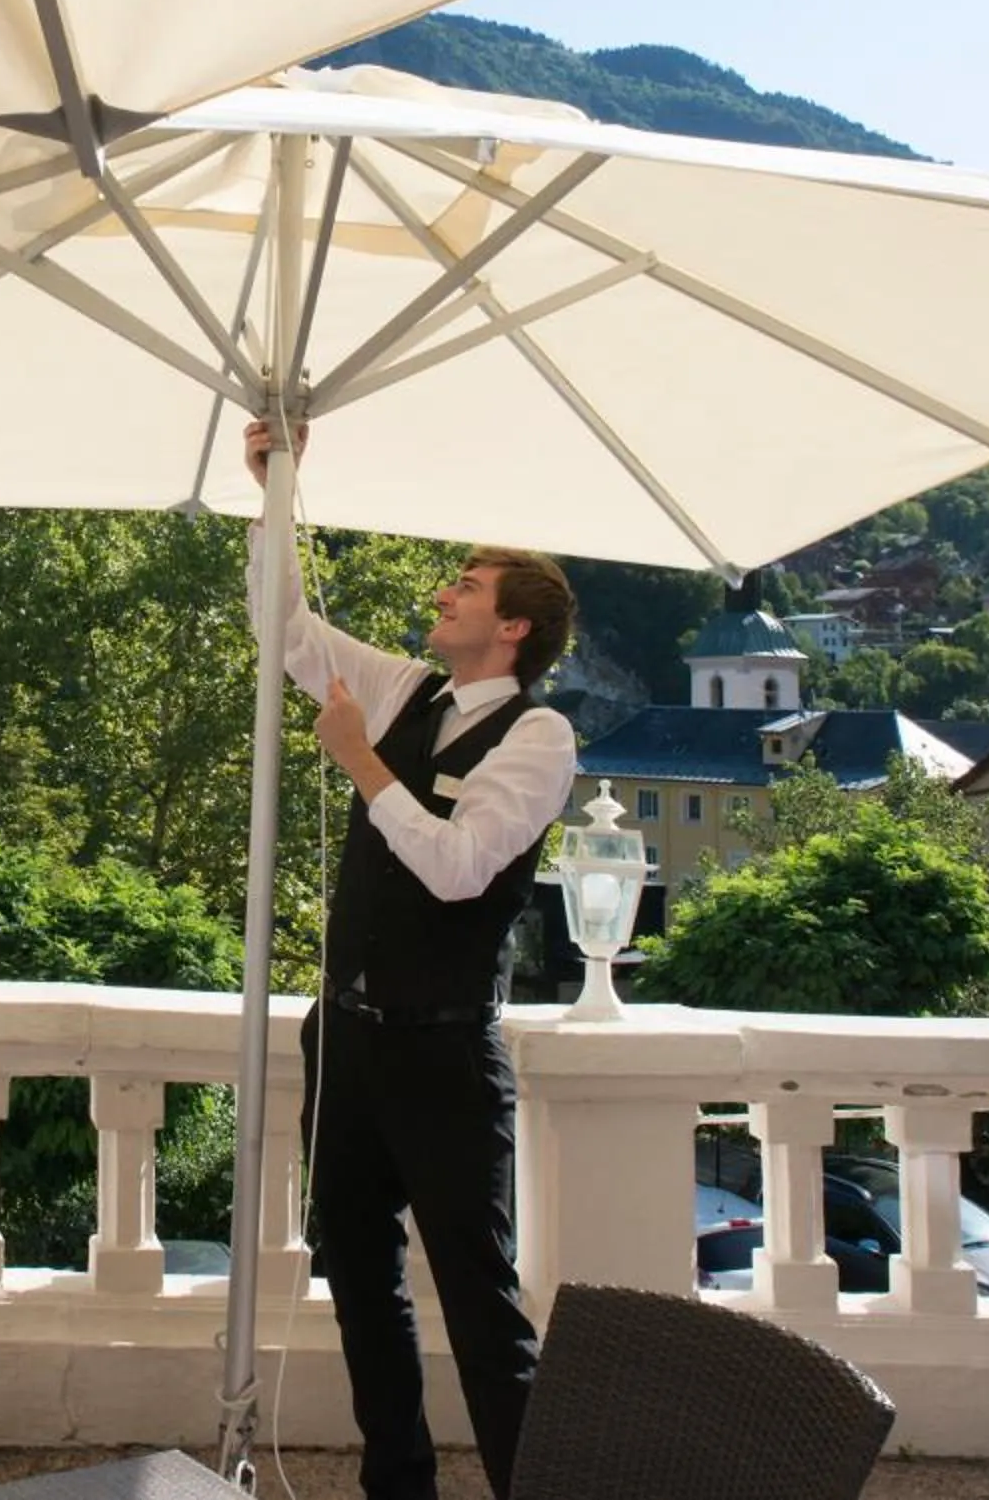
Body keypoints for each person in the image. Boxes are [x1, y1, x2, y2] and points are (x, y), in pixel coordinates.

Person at [243, 419, 578, 1500]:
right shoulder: (404, 692)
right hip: (346, 1038)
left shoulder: (538, 738)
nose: (445, 591)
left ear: (514, 625)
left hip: (443, 1057)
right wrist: (276, 494)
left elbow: (461, 868)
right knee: (360, 1281)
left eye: (467, 584)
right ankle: (401, 1488)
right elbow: (284, 630)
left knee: (480, 1300)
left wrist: (358, 768)